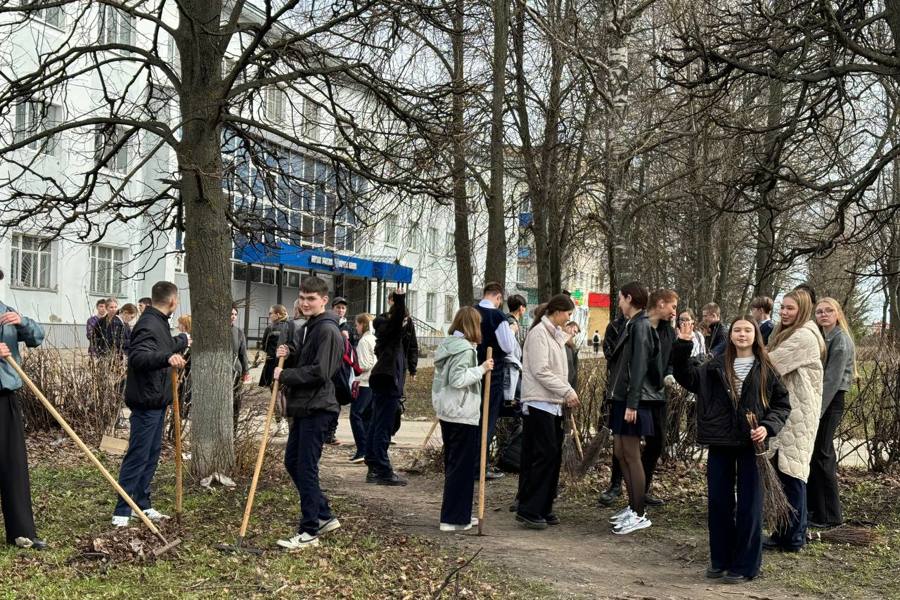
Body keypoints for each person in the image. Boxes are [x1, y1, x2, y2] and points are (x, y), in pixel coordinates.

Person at [672, 316, 791, 584]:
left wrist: (767, 427)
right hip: (720, 442)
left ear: (756, 336)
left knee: (750, 505)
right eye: (737, 329)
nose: (742, 334)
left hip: (752, 445)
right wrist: (682, 344)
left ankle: (746, 565)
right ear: (730, 335)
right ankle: (720, 559)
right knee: (719, 502)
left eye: (748, 330)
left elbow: (782, 405)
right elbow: (684, 375)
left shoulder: (766, 368)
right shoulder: (714, 366)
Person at [273, 276, 344, 550]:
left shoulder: (327, 330)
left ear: (324, 300)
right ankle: (324, 515)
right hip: (303, 406)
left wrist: (286, 374)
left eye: (311, 298)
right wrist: (289, 352)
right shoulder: (310, 327)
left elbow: (321, 371)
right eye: (302, 298)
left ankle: (309, 530)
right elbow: (307, 358)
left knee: (306, 467)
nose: (304, 303)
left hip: (318, 407)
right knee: (293, 462)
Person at [112, 281, 190, 527]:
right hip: (146, 401)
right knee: (138, 455)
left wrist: (181, 341)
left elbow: (162, 346)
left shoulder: (159, 322)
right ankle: (122, 510)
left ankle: (141, 504)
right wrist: (168, 356)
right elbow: (138, 357)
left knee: (151, 454)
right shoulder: (148, 323)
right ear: (173, 301)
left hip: (156, 401)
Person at [764, 289, 825, 552]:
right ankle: (783, 532)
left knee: (793, 475)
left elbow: (770, 363)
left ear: (802, 310)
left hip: (798, 414)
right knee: (783, 472)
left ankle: (794, 538)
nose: (785, 312)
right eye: (783, 308)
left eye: (790, 308)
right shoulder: (785, 331)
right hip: (787, 412)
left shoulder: (804, 336)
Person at [515, 294, 579, 530]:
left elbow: (559, 365)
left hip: (552, 403)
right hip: (539, 402)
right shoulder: (538, 334)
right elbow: (541, 370)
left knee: (552, 455)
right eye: (568, 314)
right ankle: (529, 507)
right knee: (543, 454)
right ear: (558, 311)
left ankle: (544, 505)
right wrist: (567, 390)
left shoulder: (553, 335)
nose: (570, 318)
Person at [433, 307, 494, 531]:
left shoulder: (449, 344)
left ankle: (458, 514)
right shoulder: (464, 350)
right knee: (461, 467)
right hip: (461, 413)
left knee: (455, 464)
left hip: (449, 410)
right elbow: (458, 379)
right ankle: (453, 519)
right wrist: (482, 369)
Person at [0, 269, 47, 550]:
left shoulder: (6, 311)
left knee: (13, 465)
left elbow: (37, 337)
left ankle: (21, 532)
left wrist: (24, 323)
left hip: (5, 397)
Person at [607, 282, 656, 535]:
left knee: (631, 454)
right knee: (620, 452)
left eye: (620, 298)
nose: (619, 302)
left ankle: (639, 513)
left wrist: (632, 403)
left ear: (629, 298)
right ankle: (632, 506)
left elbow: (639, 366)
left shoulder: (641, 326)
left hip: (631, 401)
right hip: (622, 399)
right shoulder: (632, 324)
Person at [808, 298, 856, 529]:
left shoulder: (840, 340)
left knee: (823, 455)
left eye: (829, 311)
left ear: (837, 314)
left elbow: (832, 380)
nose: (824, 315)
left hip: (830, 400)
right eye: (819, 311)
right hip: (820, 399)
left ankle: (830, 515)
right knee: (817, 454)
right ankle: (816, 510)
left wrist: (816, 411)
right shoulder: (822, 337)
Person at [637, 289, 679, 506]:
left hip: (658, 396)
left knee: (656, 442)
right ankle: (620, 487)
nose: (675, 312)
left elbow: (670, 358)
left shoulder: (669, 333)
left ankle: (642, 490)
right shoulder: (638, 325)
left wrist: (669, 373)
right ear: (661, 303)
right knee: (628, 446)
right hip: (636, 395)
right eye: (673, 306)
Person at [366, 289, 412, 485]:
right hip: (387, 382)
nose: (404, 324)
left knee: (377, 424)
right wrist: (400, 299)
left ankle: (374, 467)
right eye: (402, 321)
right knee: (383, 427)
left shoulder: (389, 337)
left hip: (384, 381)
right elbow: (398, 318)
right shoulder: (390, 333)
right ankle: (383, 470)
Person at [475, 282, 518, 480]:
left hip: (472, 372)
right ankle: (480, 466)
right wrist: (512, 332)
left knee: (472, 419)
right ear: (498, 298)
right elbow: (508, 347)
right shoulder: (498, 317)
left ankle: (471, 462)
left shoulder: (470, 312)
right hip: (493, 374)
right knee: (488, 420)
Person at [597, 311, 628, 507]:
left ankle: (642, 487)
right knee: (620, 438)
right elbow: (609, 353)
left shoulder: (650, 326)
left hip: (647, 393)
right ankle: (615, 484)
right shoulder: (616, 326)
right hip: (619, 389)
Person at [325, 297, 353, 446]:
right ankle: (324, 431)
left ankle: (330, 433)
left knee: (337, 404)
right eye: (338, 308)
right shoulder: (329, 324)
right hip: (328, 370)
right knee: (326, 402)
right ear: (332, 308)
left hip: (342, 371)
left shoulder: (348, 327)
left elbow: (352, 350)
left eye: (343, 308)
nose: (341, 310)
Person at [349, 314, 376, 463]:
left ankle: (362, 450)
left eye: (357, 324)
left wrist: (353, 366)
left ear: (363, 325)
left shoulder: (364, 341)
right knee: (366, 417)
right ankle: (367, 449)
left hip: (364, 383)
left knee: (356, 415)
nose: (356, 327)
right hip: (371, 383)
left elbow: (366, 364)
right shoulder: (373, 339)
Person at [259, 305, 293, 389]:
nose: (269, 315)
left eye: (270, 313)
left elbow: (264, 346)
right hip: (286, 363)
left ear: (277, 315)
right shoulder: (291, 326)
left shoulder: (270, 328)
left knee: (273, 389)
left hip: (271, 363)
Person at [231, 305, 251, 432]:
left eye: (235, 314)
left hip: (235, 372)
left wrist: (246, 371)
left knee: (235, 403)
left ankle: (233, 429)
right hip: (219, 373)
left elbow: (243, 353)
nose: (233, 316)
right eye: (231, 313)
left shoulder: (238, 332)